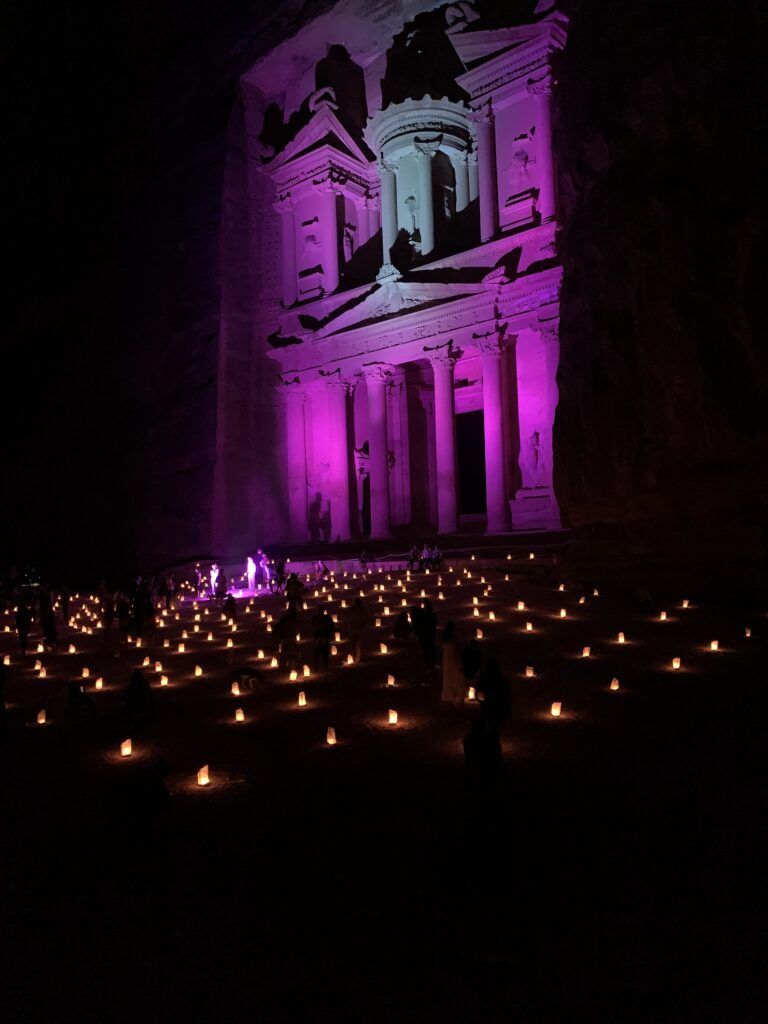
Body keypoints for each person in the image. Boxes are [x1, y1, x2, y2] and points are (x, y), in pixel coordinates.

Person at [476, 657, 511, 733]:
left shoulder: (485, 679)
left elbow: (506, 695)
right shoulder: (501, 680)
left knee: (492, 724)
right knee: (492, 724)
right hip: (492, 707)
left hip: (492, 706)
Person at [440, 621, 466, 703]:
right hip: (452, 658)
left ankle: (451, 693)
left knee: (449, 676)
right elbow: (457, 651)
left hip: (447, 659)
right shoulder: (453, 639)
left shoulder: (445, 638)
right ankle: (456, 693)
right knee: (456, 675)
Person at [414, 599, 437, 668]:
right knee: (431, 650)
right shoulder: (430, 615)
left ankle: (430, 664)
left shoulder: (422, 616)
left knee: (427, 651)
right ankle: (433, 663)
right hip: (428, 635)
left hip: (425, 636)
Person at [347, 597, 368, 663]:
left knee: (355, 644)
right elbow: (365, 618)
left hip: (354, 629)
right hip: (356, 629)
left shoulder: (353, 610)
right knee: (357, 644)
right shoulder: (360, 610)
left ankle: (356, 658)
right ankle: (357, 657)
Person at [312, 606, 334, 671]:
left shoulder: (316, 617)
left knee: (318, 652)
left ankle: (317, 666)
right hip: (323, 636)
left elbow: (313, 626)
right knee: (324, 652)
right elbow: (331, 626)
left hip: (320, 637)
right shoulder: (327, 617)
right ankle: (323, 666)